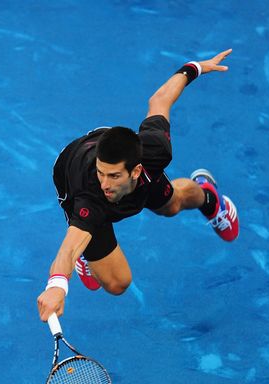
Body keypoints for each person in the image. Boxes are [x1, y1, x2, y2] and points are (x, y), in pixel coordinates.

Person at [37, 48, 239, 322]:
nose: (104, 184)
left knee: (173, 205)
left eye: (113, 176)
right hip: (70, 171)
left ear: (137, 171)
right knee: (117, 283)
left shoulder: (155, 150)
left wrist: (196, 67)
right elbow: (67, 248)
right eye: (101, 173)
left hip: (119, 150)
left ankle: (209, 197)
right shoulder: (90, 196)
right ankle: (89, 255)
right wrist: (57, 286)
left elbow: (160, 99)